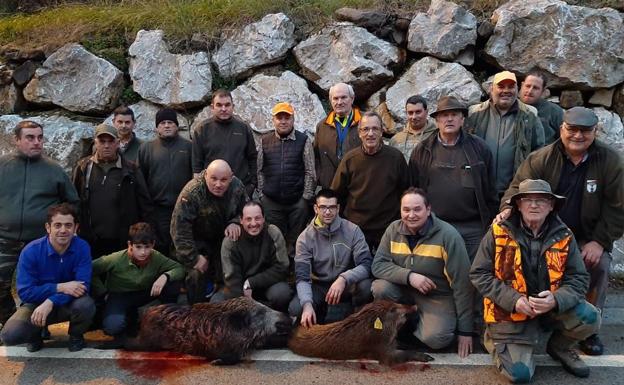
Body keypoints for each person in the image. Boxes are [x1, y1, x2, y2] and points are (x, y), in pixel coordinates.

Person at [497, 107, 624, 356]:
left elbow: (618, 207)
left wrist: (599, 241)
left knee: (599, 266)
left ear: (594, 132)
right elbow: (515, 191)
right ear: (561, 129)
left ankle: (588, 329)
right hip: (545, 235)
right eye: (572, 129)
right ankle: (541, 315)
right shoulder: (540, 159)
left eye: (585, 131)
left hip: (587, 237)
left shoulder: (610, 161)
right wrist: (507, 210)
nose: (578, 135)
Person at [471, 179, 600, 382]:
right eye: (527, 200)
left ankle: (559, 348)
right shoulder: (497, 232)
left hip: (549, 309)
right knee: (520, 376)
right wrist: (513, 300)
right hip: (509, 311)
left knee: (590, 317)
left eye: (541, 200)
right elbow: (479, 274)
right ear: (518, 205)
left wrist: (556, 299)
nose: (534, 205)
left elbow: (579, 278)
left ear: (551, 206)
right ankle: (493, 338)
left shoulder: (565, 235)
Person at [371, 188, 473, 358]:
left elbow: (463, 285)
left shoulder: (449, 236)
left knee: (437, 339)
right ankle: (397, 328)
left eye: (417, 209)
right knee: (380, 288)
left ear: (428, 209)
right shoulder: (393, 230)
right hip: (403, 291)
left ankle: (414, 325)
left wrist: (466, 331)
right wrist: (410, 276)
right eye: (406, 210)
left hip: (437, 296)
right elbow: (378, 265)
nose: (411, 215)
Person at [0, 120, 79, 327]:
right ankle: (8, 323)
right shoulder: (3, 166)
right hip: (4, 239)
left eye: (40, 137)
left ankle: (38, 326)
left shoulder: (54, 170)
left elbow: (72, 203)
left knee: (41, 286)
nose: (37, 142)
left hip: (41, 242)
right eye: (30, 137)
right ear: (17, 140)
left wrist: (63, 229)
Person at [409, 96, 497, 260]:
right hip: (435, 226)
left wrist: (489, 224)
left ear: (462, 119)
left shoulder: (480, 148)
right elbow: (413, 190)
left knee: (474, 276)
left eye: (454, 114)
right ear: (436, 120)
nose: (449, 119)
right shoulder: (422, 151)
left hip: (473, 228)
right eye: (444, 115)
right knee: (437, 276)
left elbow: (490, 189)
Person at [0, 203, 95, 352]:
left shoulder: (82, 247)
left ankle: (76, 335)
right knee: (11, 335)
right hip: (36, 305)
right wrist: (60, 287)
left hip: (67, 304)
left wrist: (51, 300)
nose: (63, 230)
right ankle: (35, 334)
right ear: (48, 227)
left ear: (75, 228)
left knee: (85, 305)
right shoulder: (31, 251)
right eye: (57, 225)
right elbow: (25, 292)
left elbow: (83, 287)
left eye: (68, 225)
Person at [91, 222, 184, 346]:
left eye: (147, 247)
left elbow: (179, 268)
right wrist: (102, 292)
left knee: (172, 284)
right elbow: (90, 269)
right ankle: (129, 318)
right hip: (120, 296)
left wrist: (164, 276)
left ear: (153, 245)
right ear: (130, 245)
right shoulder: (116, 259)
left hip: (145, 294)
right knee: (112, 327)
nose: (143, 252)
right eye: (138, 247)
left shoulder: (156, 257)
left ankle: (167, 321)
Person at [289, 188, 372, 327]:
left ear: (338, 208)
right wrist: (307, 304)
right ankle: (318, 310)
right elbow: (302, 277)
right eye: (323, 207)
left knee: (367, 286)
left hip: (345, 285)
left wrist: (344, 278)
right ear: (315, 208)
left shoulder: (353, 230)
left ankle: (357, 318)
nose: (327, 212)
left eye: (332, 207)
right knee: (297, 307)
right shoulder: (304, 238)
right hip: (319, 286)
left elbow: (366, 265)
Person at [170, 159, 248, 304]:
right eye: (213, 179)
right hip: (196, 243)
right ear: (205, 175)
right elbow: (179, 230)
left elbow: (248, 211)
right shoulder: (191, 193)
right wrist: (193, 257)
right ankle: (196, 310)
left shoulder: (237, 186)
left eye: (223, 180)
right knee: (196, 274)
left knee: (231, 269)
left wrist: (236, 222)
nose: (218, 184)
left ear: (231, 178)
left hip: (223, 240)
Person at [331, 111, 410, 251]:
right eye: (366, 129)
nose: (370, 133)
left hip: (388, 228)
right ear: (359, 133)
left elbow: (406, 192)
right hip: (356, 228)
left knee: (385, 270)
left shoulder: (395, 158)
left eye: (375, 129)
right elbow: (337, 195)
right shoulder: (350, 159)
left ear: (381, 132)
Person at [72, 123, 153, 258]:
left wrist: (143, 234)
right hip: (90, 241)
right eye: (102, 141)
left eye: (111, 141)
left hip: (122, 242)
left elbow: (145, 204)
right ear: (95, 143)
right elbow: (74, 201)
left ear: (118, 143)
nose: (106, 145)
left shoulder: (131, 170)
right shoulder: (83, 168)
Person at [466, 71, 545, 196]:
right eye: (501, 86)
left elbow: (539, 152)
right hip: (479, 190)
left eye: (511, 87)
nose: (506, 91)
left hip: (514, 192)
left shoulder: (530, 115)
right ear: (491, 89)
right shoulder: (475, 113)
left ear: (517, 89)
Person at [257, 102, 315, 255]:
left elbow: (310, 171)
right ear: (273, 120)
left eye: (287, 117)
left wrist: (305, 198)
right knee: (275, 239)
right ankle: (279, 269)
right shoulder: (264, 141)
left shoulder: (303, 140)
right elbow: (259, 170)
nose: (283, 121)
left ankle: (296, 270)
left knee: (297, 240)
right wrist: (262, 196)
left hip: (297, 202)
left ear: (293, 119)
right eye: (279, 117)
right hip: (271, 202)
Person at [215, 201, 292, 312]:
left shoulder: (273, 232)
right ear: (241, 220)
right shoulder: (230, 241)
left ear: (264, 218)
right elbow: (231, 279)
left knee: (282, 293)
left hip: (266, 285)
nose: (254, 223)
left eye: (257, 218)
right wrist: (244, 303)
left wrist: (251, 282)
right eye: (248, 219)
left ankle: (277, 322)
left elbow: (282, 267)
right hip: (240, 289)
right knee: (217, 302)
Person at [138, 108, 192, 254]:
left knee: (182, 246)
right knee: (160, 247)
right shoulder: (146, 149)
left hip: (183, 208)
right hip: (157, 210)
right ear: (157, 127)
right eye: (162, 123)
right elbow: (140, 180)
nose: (167, 125)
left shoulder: (188, 147)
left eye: (170, 122)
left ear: (176, 125)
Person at [192, 89, 257, 196]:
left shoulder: (243, 129)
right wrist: (201, 192)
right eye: (219, 105)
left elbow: (252, 158)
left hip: (240, 191)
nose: (223, 109)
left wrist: (252, 185)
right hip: (212, 192)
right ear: (212, 107)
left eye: (227, 105)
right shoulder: (202, 130)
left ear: (233, 106)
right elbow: (197, 166)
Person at [314, 82, 362, 189]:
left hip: (357, 188)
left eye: (343, 97)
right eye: (335, 98)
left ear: (352, 99)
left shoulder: (365, 123)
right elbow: (316, 157)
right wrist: (320, 178)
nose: (339, 102)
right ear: (331, 101)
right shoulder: (322, 126)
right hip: (330, 189)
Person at [519, 71, 564, 144]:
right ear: (522, 85)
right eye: (527, 86)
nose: (530, 91)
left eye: (535, 88)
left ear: (543, 91)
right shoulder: (510, 107)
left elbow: (563, 139)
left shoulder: (554, 111)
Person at [389, 95, 437, 161]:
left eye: (418, 112)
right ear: (406, 114)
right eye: (410, 113)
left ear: (426, 112)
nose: (414, 117)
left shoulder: (437, 136)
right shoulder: (395, 140)